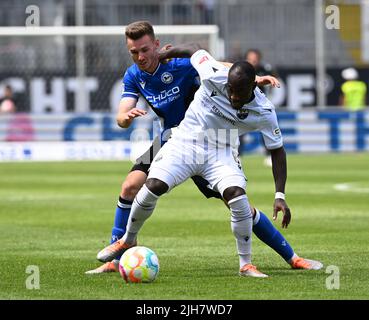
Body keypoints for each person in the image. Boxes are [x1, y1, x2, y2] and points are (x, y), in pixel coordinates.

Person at [86, 21, 322, 274]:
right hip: (175, 138)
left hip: (214, 140)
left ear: (156, 45)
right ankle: (116, 256)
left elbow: (215, 63)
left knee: (239, 205)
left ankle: (291, 256)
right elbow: (121, 117)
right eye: (134, 52)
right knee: (132, 186)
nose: (140, 57)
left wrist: (254, 77)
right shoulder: (133, 75)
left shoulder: (182, 65)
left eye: (144, 50)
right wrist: (126, 117)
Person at [245, 49, 279, 167]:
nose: (252, 61)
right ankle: (236, 155)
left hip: (259, 105)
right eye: (250, 58)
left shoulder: (264, 69)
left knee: (265, 130)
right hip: (244, 105)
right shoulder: (242, 69)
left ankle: (270, 155)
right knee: (237, 131)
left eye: (255, 59)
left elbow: (274, 76)